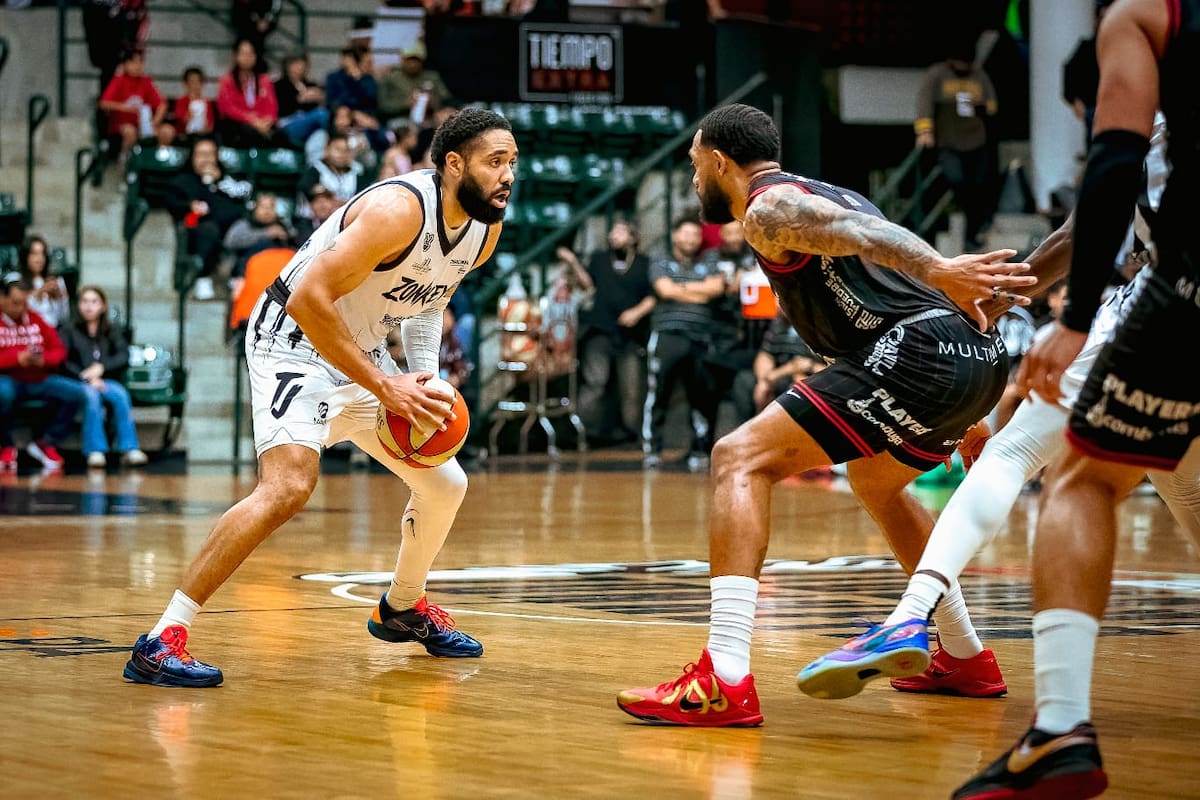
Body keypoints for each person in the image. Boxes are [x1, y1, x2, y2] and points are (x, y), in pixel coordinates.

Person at [616, 102, 1035, 726]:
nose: (692, 179)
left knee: (737, 457)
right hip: (969, 352)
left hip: (915, 350)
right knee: (877, 480)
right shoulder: (835, 192)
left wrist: (940, 267)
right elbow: (879, 255)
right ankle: (964, 656)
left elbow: (874, 241)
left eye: (693, 164)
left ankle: (723, 677)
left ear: (719, 161)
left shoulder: (767, 206)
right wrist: (970, 411)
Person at [122, 107, 517, 688]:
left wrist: (423, 381)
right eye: (495, 162)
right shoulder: (396, 211)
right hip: (294, 338)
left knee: (445, 482)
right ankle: (161, 640)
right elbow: (308, 298)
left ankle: (403, 607)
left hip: (361, 347)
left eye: (513, 162)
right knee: (287, 488)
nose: (508, 175)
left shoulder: (484, 229)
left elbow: (428, 299)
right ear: (455, 164)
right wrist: (386, 386)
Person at [954, 1, 1200, 797]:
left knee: (1082, 479)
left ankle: (1059, 729)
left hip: (1187, 285)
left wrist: (1073, 320)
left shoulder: (1146, 14)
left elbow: (1114, 165)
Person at [641, 210, 728, 468]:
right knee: (659, 392)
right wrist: (698, 291)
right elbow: (663, 290)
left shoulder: (710, 259)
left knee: (700, 395)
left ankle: (700, 450)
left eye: (695, 234)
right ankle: (653, 448)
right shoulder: (660, 259)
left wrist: (679, 290)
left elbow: (715, 289)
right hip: (668, 335)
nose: (691, 239)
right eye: (686, 233)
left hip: (701, 337)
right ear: (675, 236)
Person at [556, 220, 655, 447]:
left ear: (633, 237)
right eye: (613, 232)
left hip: (630, 334)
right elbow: (588, 285)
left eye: (621, 231)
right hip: (599, 329)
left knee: (631, 387)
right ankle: (581, 432)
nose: (615, 236)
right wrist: (573, 262)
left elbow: (653, 294)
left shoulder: (644, 263)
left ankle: (633, 435)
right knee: (595, 382)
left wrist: (637, 313)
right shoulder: (600, 258)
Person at [914, 39, 999, 250]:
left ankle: (973, 233)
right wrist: (925, 131)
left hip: (976, 140)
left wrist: (978, 107)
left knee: (979, 186)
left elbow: (992, 106)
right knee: (956, 180)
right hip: (949, 142)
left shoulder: (979, 76)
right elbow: (924, 103)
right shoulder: (938, 75)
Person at [59, 286, 148, 469]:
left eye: (94, 302)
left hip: (106, 380)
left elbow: (123, 356)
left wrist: (102, 368)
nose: (89, 307)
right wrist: (85, 376)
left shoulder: (112, 330)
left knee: (121, 395)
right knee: (91, 396)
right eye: (85, 302)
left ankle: (129, 448)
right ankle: (95, 450)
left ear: (103, 306)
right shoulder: (68, 330)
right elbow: (63, 360)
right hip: (77, 381)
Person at [0, 276, 83, 471]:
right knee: (3, 394)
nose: (20, 308)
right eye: (15, 303)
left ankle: (46, 442)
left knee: (76, 392)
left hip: (39, 377)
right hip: (8, 378)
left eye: (24, 303)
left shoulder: (37, 319)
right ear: (2, 299)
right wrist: (16, 358)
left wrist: (43, 359)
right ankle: (6, 444)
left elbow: (59, 351)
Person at [163, 136, 254, 301]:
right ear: (192, 157)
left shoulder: (226, 181)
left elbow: (240, 206)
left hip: (229, 232)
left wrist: (218, 181)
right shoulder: (181, 181)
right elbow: (172, 203)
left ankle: (237, 275)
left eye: (210, 154)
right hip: (199, 231)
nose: (206, 160)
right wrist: (190, 205)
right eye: (201, 154)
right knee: (209, 230)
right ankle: (202, 277)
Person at [216, 39, 286, 149]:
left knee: (282, 134)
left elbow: (272, 107)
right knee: (246, 132)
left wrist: (266, 121)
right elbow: (227, 107)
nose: (247, 57)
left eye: (250, 53)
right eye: (243, 53)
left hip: (262, 124)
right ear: (235, 56)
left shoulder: (264, 80)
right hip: (239, 125)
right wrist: (252, 120)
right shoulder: (227, 81)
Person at [98, 50, 166, 157]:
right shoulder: (118, 81)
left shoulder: (146, 82)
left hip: (144, 123)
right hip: (121, 125)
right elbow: (104, 103)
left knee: (163, 132)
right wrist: (125, 107)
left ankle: (157, 161)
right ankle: (126, 160)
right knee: (130, 132)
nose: (137, 66)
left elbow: (161, 104)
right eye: (133, 62)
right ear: (125, 64)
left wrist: (155, 121)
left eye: (141, 62)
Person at [19, 235, 70, 329]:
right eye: (34, 254)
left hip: (53, 331)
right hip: (29, 333)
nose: (39, 259)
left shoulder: (56, 280)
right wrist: (39, 293)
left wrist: (59, 298)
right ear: (25, 256)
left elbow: (64, 318)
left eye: (42, 254)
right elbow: (18, 312)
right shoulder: (16, 279)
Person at [172, 66, 217, 142]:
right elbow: (179, 122)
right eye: (192, 82)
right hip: (186, 135)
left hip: (203, 135)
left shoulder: (207, 103)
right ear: (185, 84)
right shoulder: (181, 101)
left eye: (198, 82)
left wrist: (205, 127)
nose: (195, 86)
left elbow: (210, 125)